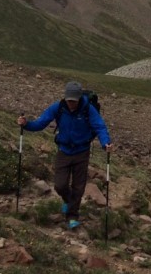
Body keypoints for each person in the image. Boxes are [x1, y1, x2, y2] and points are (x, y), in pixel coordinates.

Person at [18, 81, 113, 229]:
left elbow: (99, 126)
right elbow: (41, 123)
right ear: (65, 98)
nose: (71, 104)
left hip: (82, 151)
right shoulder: (59, 107)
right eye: (69, 101)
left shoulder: (88, 108)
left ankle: (72, 216)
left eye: (74, 101)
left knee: (78, 186)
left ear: (79, 99)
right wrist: (26, 124)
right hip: (64, 150)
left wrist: (105, 142)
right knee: (60, 185)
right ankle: (69, 202)